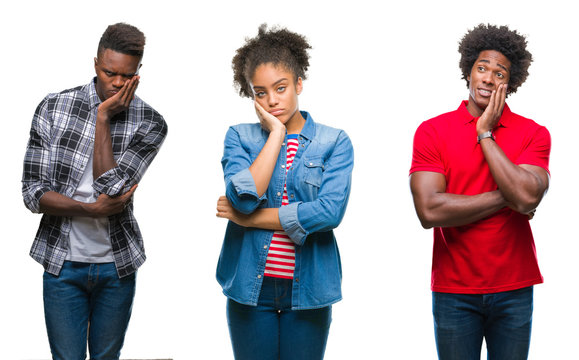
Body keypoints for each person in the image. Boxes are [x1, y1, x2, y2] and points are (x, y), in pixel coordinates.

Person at [21, 23, 167, 360]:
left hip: (116, 266)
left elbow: (110, 186)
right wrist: (89, 210)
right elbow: (32, 193)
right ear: (95, 64)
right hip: (62, 264)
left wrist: (103, 117)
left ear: (138, 72)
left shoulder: (150, 122)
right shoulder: (54, 107)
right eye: (109, 72)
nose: (116, 82)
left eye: (126, 76)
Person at [409, 24, 550, 360]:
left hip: (515, 287)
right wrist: (510, 196)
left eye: (498, 72)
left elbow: (528, 197)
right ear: (468, 72)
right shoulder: (432, 132)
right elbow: (429, 211)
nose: (487, 78)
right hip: (454, 291)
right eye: (482, 68)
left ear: (510, 83)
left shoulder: (534, 133)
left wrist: (484, 132)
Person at [215, 24, 354, 360]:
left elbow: (328, 213)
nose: (272, 100)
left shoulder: (334, 142)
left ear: (298, 84)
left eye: (280, 88)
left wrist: (251, 220)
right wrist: (276, 133)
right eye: (260, 92)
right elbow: (243, 198)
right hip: (250, 288)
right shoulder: (240, 137)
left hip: (308, 290)